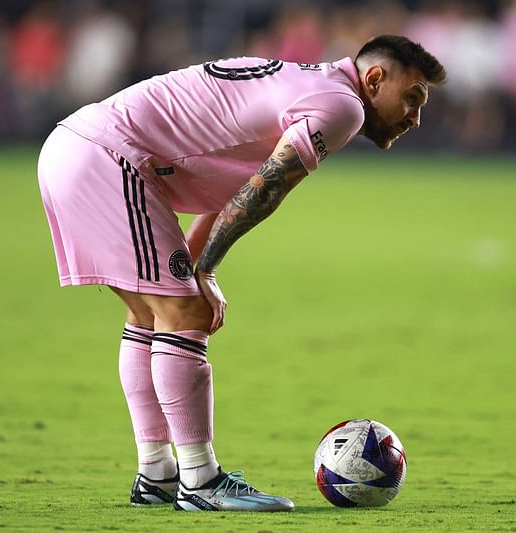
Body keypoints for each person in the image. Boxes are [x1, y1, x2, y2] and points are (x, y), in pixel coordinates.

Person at [37, 34, 445, 512]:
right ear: (375, 78)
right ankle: (202, 481)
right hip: (109, 159)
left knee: (152, 317)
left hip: (80, 148)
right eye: (412, 98)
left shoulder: (307, 85)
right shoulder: (343, 106)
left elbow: (231, 190)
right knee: (184, 311)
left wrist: (197, 266)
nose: (415, 117)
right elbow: (265, 188)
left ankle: (158, 475)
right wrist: (204, 271)